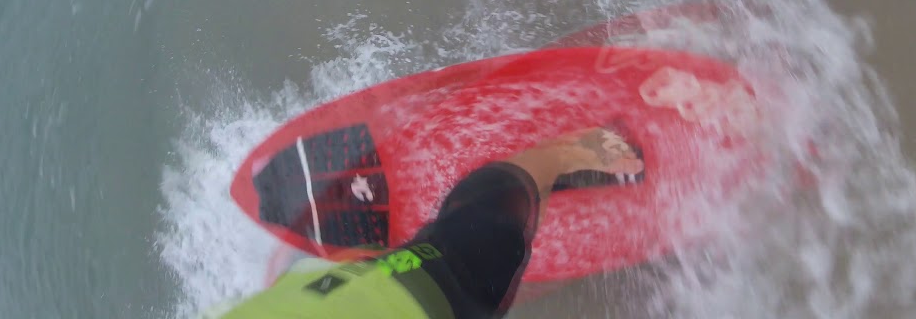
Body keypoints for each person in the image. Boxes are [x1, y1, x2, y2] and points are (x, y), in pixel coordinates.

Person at [218, 127, 645, 319]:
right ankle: (563, 161)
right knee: (490, 222)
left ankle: (564, 159)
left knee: (492, 240)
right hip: (417, 298)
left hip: (388, 297)